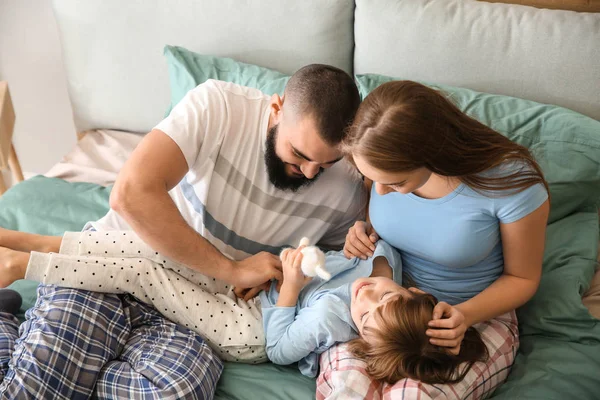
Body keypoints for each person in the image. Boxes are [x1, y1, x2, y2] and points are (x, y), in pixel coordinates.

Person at [0, 64, 366, 399]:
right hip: (112, 267)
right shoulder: (219, 107)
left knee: (178, 390)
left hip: (193, 313)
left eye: (326, 163)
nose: (311, 173)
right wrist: (232, 269)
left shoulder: (350, 186)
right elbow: (130, 194)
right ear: (276, 109)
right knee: (38, 383)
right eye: (299, 155)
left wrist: (356, 238)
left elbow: (338, 270)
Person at [2, 237, 488, 385]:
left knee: (146, 276)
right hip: (260, 283)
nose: (366, 295)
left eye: (367, 314)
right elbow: (387, 257)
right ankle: (18, 239)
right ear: (412, 292)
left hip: (248, 330)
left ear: (359, 330)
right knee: (151, 244)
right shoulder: (390, 273)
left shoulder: (329, 321)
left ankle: (21, 265)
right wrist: (366, 235)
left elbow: (278, 350)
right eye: (387, 295)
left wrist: (292, 288)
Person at [324, 79, 549, 394]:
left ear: (433, 153)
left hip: (474, 315)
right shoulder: (378, 166)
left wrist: (464, 316)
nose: (381, 191)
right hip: (385, 309)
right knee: (349, 387)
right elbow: (386, 218)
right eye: (373, 179)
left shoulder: (511, 184)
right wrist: (363, 231)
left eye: (397, 182)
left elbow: (522, 278)